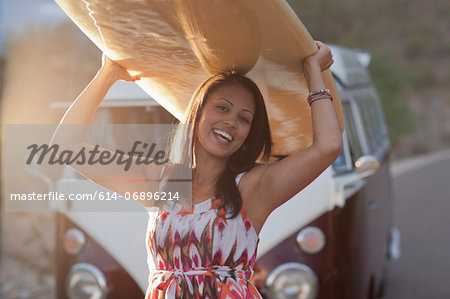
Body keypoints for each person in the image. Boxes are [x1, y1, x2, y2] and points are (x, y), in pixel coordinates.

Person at [54, 40, 341, 298]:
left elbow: (327, 146)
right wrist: (108, 73)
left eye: (244, 118)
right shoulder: (160, 180)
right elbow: (67, 146)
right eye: (222, 108)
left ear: (248, 135)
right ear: (198, 112)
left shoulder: (253, 187)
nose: (231, 121)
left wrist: (312, 70)